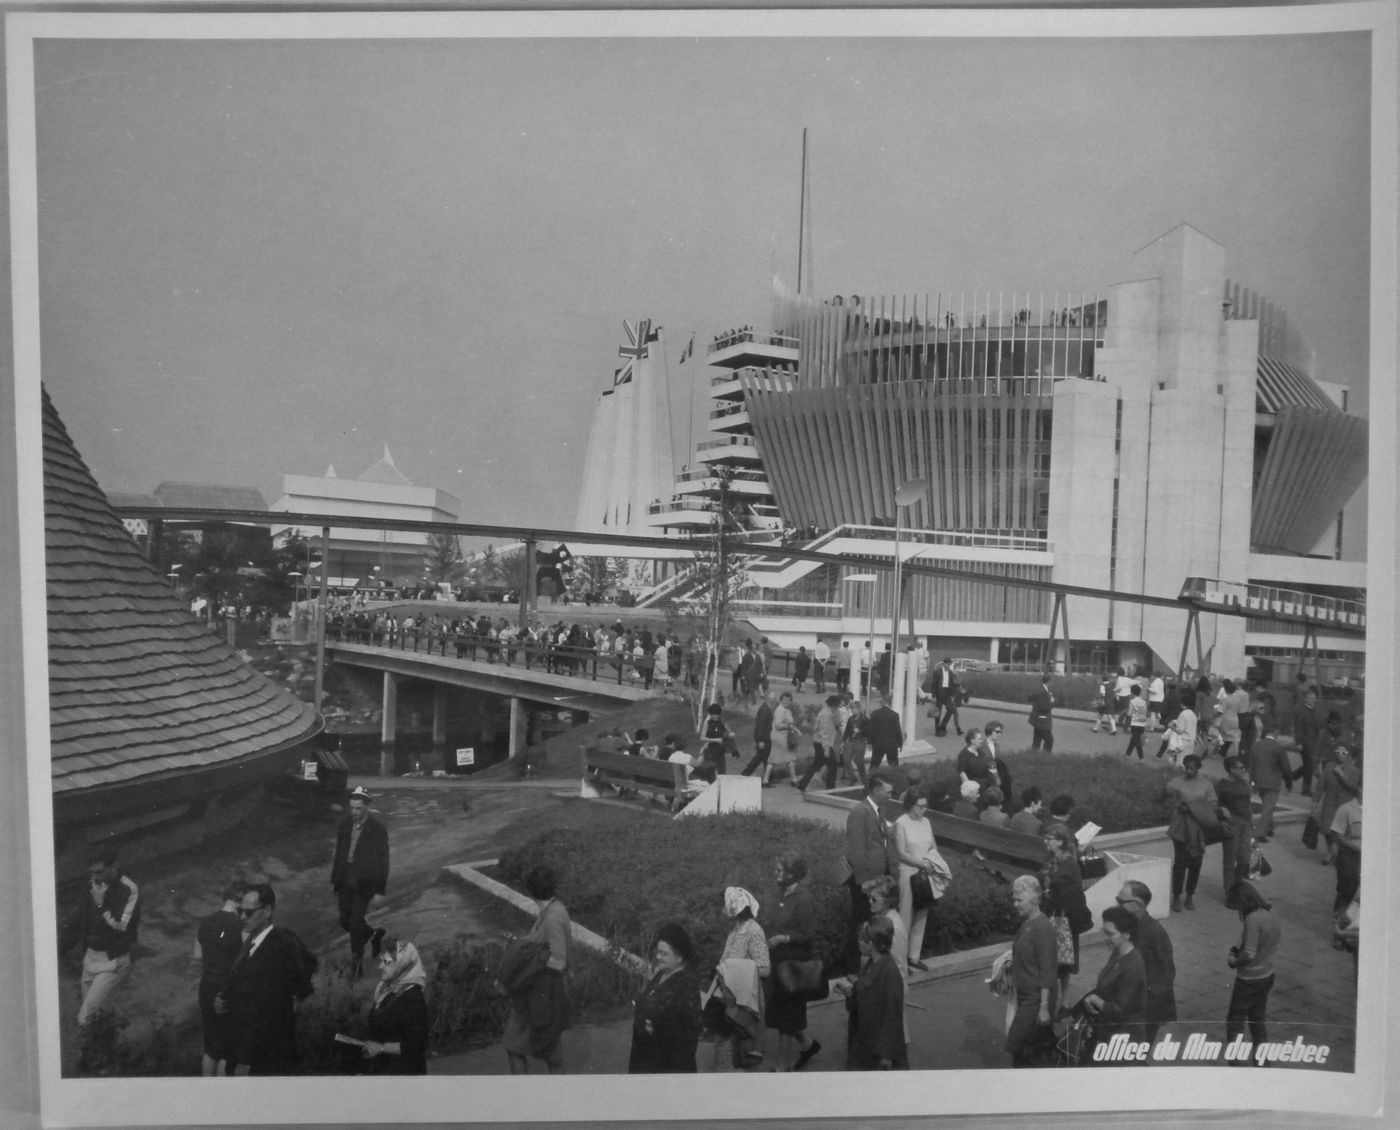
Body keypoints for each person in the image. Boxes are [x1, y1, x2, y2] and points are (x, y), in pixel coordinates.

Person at [220, 883, 318, 1075]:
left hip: (260, 1053)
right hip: (246, 1045)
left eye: (248, 913)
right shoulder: (254, 942)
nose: (242, 917)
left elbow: (268, 1010)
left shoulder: (277, 949)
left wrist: (246, 1059)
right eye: (240, 911)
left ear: (267, 911)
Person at [58, 844, 140, 1027]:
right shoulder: (91, 886)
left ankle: (96, 1051)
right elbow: (76, 922)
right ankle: (112, 1049)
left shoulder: (128, 889)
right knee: (99, 1018)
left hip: (113, 962)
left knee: (85, 1019)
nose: (95, 878)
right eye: (92, 872)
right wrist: (56, 952)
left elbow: (122, 927)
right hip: (90, 960)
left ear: (114, 866)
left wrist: (101, 905)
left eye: (100, 872)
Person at [503, 864, 570, 1075]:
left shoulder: (552, 917)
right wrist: (521, 943)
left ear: (531, 892)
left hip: (543, 993)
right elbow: (541, 943)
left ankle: (525, 1096)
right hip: (542, 992)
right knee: (549, 1050)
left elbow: (559, 960)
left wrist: (530, 956)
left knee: (515, 1045)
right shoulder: (552, 909)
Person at [763, 851, 822, 1071]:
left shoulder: (804, 899)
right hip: (777, 963)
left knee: (786, 1017)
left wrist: (784, 938)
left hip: (793, 966)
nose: (776, 872)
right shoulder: (779, 894)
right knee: (782, 1012)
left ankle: (782, 1067)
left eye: (780, 869)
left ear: (792, 874)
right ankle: (807, 1045)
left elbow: (809, 934)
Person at [703, 887, 769, 1071]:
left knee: (743, 1053)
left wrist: (732, 970)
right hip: (729, 1000)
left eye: (724, 905)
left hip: (747, 1003)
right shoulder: (734, 933)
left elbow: (765, 969)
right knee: (725, 1051)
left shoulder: (754, 931)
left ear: (734, 906)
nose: (722, 910)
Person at [331, 785, 391, 978]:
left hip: (364, 883)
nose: (355, 812)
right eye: (352, 808)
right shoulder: (345, 824)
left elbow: (383, 860)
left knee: (356, 924)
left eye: (359, 808)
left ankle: (357, 965)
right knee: (345, 921)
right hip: (345, 880)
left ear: (367, 806)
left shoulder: (377, 829)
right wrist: (335, 879)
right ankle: (373, 934)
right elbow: (339, 853)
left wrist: (379, 890)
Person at [628, 922, 702, 1074]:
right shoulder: (661, 974)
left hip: (667, 1069)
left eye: (664, 953)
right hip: (645, 1060)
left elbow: (691, 1033)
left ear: (680, 957)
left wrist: (656, 1031)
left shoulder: (687, 985)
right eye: (657, 952)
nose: (657, 957)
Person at [1077, 906, 1147, 1063]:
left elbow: (1118, 1011)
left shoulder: (1133, 967)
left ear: (1127, 934)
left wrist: (1095, 1000)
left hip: (1122, 1041)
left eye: (1110, 933)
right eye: (1104, 931)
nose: (1105, 937)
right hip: (1108, 1031)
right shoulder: (1118, 952)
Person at [837, 918, 907, 1070]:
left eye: (863, 940)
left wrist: (886, 1055)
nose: (859, 942)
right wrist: (850, 993)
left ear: (874, 944)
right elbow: (865, 992)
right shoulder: (870, 964)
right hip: (864, 1039)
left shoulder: (890, 973)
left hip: (877, 1047)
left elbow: (893, 1015)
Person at [893, 788, 950, 974]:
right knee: (905, 915)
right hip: (909, 872)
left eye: (926, 806)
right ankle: (900, 959)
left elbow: (933, 845)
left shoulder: (926, 821)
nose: (924, 810)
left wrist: (932, 862)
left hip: (926, 872)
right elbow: (901, 853)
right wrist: (922, 864)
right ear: (911, 805)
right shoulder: (901, 823)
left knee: (922, 914)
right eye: (920, 806)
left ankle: (914, 956)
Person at [193, 879, 246, 1075]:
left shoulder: (205, 922)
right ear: (241, 902)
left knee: (211, 1047)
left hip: (206, 985)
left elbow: (198, 955)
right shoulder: (240, 925)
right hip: (228, 989)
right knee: (228, 1049)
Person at [842, 775, 894, 973]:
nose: (890, 795)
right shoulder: (860, 812)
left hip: (877, 879)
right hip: (865, 882)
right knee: (860, 921)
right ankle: (853, 964)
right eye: (887, 791)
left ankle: (865, 961)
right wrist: (864, 881)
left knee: (868, 921)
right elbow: (856, 849)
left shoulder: (877, 810)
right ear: (875, 791)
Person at [1225, 880, 1282, 1062]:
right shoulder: (1271, 912)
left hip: (1249, 978)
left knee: (1235, 1022)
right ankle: (1263, 1062)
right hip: (1267, 974)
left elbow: (1248, 954)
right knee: (1258, 1021)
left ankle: (1235, 1061)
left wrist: (1234, 961)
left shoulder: (1252, 919)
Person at [1005, 875, 1057, 1067]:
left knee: (1019, 1045)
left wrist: (1044, 1007)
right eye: (1014, 899)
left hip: (1036, 999)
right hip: (1026, 996)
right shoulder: (1028, 924)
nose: (1015, 904)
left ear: (1035, 899)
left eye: (1019, 900)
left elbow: (1048, 970)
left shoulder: (1042, 928)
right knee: (1026, 1049)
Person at [358, 935, 429, 1074]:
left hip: (405, 1072)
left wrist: (382, 1048)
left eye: (386, 962)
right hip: (383, 1069)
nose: (380, 966)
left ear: (403, 965)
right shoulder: (387, 992)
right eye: (381, 961)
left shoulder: (412, 998)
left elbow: (418, 1044)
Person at [1115, 881, 1176, 1045]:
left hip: (1145, 1008)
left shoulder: (1154, 932)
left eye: (1121, 902)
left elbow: (1165, 974)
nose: (1117, 905)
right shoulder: (1129, 926)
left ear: (1138, 904)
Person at [1041, 823, 1091, 1004]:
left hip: (1065, 921)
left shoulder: (1070, 865)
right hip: (1051, 916)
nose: (1045, 841)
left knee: (1065, 967)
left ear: (1060, 842)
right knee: (1051, 962)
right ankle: (1052, 1001)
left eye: (1050, 839)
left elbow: (1076, 895)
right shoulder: (1051, 859)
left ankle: (1064, 1003)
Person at [1166, 754, 1219, 912]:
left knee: (1195, 863)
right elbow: (1167, 795)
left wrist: (1192, 807)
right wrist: (1175, 802)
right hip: (1180, 827)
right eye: (1186, 767)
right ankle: (1176, 896)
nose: (1189, 771)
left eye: (1192, 768)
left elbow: (1213, 803)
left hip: (1198, 828)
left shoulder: (1206, 785)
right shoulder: (1177, 781)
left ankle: (1190, 895)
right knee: (1180, 863)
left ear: (1198, 768)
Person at [1216, 756, 1255, 905]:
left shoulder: (1245, 783)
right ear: (1231, 769)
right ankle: (1230, 892)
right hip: (1232, 823)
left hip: (1246, 823)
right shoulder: (1222, 785)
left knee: (1245, 858)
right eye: (1240, 768)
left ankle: (1238, 886)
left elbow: (1248, 803)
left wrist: (1252, 822)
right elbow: (1215, 804)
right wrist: (1222, 817)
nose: (1243, 770)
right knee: (1230, 858)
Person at [1316, 742, 1359, 867]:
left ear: (1349, 755)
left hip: (1345, 804)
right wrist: (1316, 800)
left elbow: (1355, 788)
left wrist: (1342, 775)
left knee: (1344, 831)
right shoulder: (1329, 766)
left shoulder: (1354, 770)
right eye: (1338, 752)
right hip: (1329, 802)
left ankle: (1342, 854)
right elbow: (1321, 784)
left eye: (1344, 753)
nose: (1340, 755)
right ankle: (1329, 852)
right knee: (1327, 829)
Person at [1248, 727, 1294, 842]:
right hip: (1273, 782)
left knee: (1267, 805)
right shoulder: (1279, 748)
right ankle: (1260, 832)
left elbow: (1251, 764)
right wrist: (1289, 783)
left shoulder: (1256, 745)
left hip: (1258, 780)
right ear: (1276, 732)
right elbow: (1286, 768)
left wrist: (1251, 780)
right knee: (1268, 807)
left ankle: (1270, 826)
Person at [1329, 764, 1362, 914]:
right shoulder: (1346, 809)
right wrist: (1358, 848)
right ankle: (1338, 925)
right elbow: (1337, 836)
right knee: (1347, 891)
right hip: (1349, 857)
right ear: (1359, 788)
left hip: (1370, 859)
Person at [797, 695, 845, 792]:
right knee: (833, 765)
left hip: (821, 742)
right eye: (837, 706)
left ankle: (802, 783)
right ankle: (830, 787)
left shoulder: (830, 713)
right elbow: (824, 732)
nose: (838, 707)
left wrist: (837, 717)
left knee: (816, 764)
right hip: (823, 743)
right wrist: (826, 749)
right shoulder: (825, 714)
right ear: (834, 705)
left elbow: (837, 724)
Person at [1292, 687, 1322, 796]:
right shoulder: (1301, 711)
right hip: (1305, 742)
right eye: (1310, 698)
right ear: (1305, 699)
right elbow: (1298, 728)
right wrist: (1299, 742)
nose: (1312, 700)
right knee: (1309, 765)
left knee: (1308, 765)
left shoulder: (1316, 710)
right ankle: (1305, 789)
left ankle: (1292, 776)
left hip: (1314, 742)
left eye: (1314, 698)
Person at [865, 693, 905, 772]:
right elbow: (897, 730)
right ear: (890, 703)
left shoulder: (875, 713)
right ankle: (895, 780)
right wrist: (900, 743)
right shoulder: (894, 715)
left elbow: (871, 729)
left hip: (878, 743)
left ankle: (870, 779)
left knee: (875, 764)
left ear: (882, 703)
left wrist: (869, 742)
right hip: (891, 744)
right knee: (894, 765)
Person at [741, 690, 775, 780]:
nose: (773, 697)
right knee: (761, 757)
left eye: (773, 695)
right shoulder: (764, 710)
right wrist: (761, 740)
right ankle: (746, 773)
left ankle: (767, 778)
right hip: (763, 738)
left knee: (764, 758)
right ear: (767, 697)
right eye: (772, 695)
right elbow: (760, 725)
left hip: (765, 737)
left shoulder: (767, 708)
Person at [838, 696, 871, 787]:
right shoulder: (851, 719)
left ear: (859, 709)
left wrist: (860, 731)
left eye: (855, 709)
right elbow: (847, 731)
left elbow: (869, 731)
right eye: (852, 709)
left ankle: (864, 778)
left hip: (860, 741)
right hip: (851, 741)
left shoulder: (865, 719)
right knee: (846, 759)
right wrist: (843, 741)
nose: (853, 711)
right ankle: (852, 777)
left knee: (859, 760)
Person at [983, 723, 1013, 812]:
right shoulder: (982, 745)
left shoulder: (997, 746)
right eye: (997, 731)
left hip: (995, 776)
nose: (999, 734)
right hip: (985, 776)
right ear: (990, 731)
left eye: (1000, 732)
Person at [699, 701, 734, 778]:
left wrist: (730, 735)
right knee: (709, 773)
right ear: (710, 714)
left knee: (722, 773)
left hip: (720, 751)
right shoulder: (707, 723)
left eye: (716, 715)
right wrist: (715, 740)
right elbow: (702, 737)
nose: (714, 716)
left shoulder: (723, 722)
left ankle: (721, 787)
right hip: (710, 750)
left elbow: (730, 732)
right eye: (712, 715)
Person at [929, 658, 963, 737]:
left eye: (949, 664)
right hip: (939, 693)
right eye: (947, 664)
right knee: (938, 712)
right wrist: (933, 696)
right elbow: (933, 685)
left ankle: (943, 725)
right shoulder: (937, 672)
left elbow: (951, 685)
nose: (948, 666)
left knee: (951, 709)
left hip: (947, 693)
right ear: (943, 664)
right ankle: (937, 731)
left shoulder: (950, 673)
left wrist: (951, 695)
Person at [955, 728, 994, 792]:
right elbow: (962, 774)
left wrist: (996, 783)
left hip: (986, 786)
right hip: (974, 789)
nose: (982, 741)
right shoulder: (963, 755)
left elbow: (990, 768)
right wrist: (971, 789)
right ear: (972, 741)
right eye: (979, 739)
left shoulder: (981, 753)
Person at [1028, 673, 1056, 752]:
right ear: (1049, 681)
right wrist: (1052, 702)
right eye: (1052, 681)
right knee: (1049, 741)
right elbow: (1044, 707)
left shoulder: (1040, 689)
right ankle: (1045, 758)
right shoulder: (1043, 691)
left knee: (1037, 741)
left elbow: (1030, 698)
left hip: (1037, 720)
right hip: (1042, 720)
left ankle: (1033, 757)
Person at [1123, 684, 1149, 759]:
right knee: (1133, 740)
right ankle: (1127, 755)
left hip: (1135, 723)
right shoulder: (1144, 702)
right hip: (1142, 724)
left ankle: (1141, 758)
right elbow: (1145, 713)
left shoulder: (1132, 701)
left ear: (1132, 692)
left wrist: (1126, 713)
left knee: (1137, 742)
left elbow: (1129, 713)